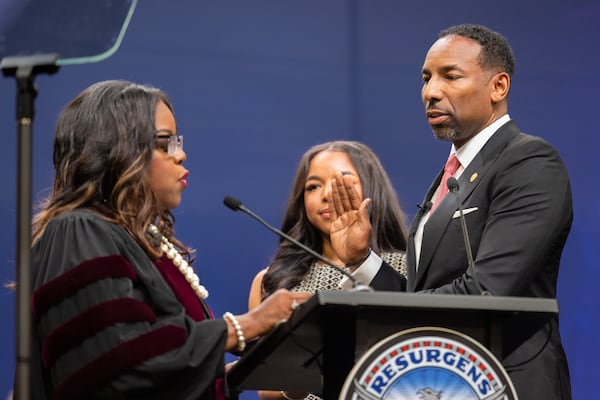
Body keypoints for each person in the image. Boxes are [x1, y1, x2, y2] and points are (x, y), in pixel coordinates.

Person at [327, 24, 572, 399]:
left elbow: (487, 292)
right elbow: (423, 296)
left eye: (450, 76)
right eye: (426, 79)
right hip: (443, 380)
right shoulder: (450, 175)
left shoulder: (530, 162)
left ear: (498, 87)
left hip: (505, 383)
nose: (431, 92)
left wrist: (371, 310)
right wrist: (363, 260)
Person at [25, 80, 311, 400]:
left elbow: (157, 370)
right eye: (165, 143)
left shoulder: (142, 243)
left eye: (178, 142)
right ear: (116, 149)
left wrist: (238, 375)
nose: (181, 154)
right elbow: (113, 364)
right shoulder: (77, 231)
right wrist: (247, 324)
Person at [248, 140, 409, 400]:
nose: (326, 194)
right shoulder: (271, 281)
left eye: (341, 182)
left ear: (371, 190)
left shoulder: (409, 267)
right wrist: (295, 386)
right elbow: (267, 390)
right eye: (313, 186)